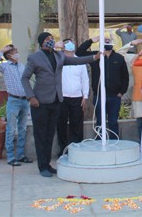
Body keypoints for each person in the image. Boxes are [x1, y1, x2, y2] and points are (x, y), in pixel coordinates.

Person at [21, 32, 101, 177]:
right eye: (47, 39)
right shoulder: (35, 58)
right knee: (41, 135)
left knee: (50, 134)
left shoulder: (59, 56)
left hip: (56, 101)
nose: (51, 41)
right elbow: (25, 78)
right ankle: (42, 166)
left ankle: (47, 164)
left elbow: (75, 61)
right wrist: (31, 97)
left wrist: (93, 58)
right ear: (41, 42)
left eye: (52, 39)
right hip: (40, 102)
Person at [77, 36, 130, 139]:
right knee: (100, 121)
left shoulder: (119, 58)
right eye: (104, 41)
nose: (106, 43)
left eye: (108, 41)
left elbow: (125, 76)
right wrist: (91, 40)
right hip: (99, 95)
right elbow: (79, 53)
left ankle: (114, 142)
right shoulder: (96, 56)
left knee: (113, 121)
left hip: (115, 96)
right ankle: (100, 141)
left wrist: (122, 91)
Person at [0, 44, 33, 167]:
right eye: (14, 52)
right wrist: (1, 51)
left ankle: (20, 155)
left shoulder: (21, 66)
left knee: (22, 129)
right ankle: (10, 157)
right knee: (11, 129)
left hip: (24, 100)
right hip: (13, 100)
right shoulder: (5, 66)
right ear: (9, 55)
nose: (17, 53)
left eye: (17, 51)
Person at [56, 39, 89, 157]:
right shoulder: (58, 59)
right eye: (67, 43)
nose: (70, 45)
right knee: (61, 124)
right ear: (63, 47)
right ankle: (63, 149)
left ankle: (77, 148)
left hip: (77, 97)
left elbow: (85, 79)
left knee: (77, 123)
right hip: (62, 97)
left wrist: (85, 96)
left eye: (71, 43)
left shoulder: (79, 61)